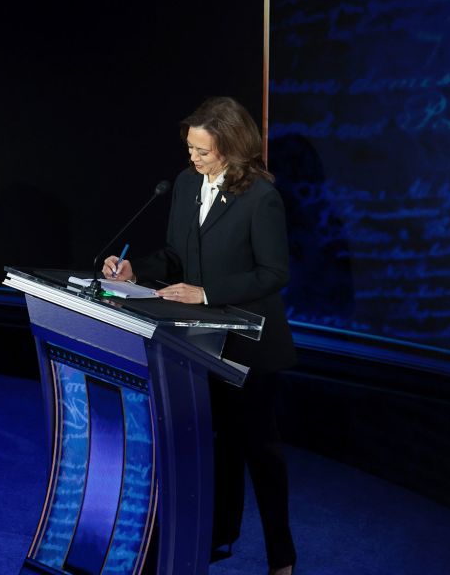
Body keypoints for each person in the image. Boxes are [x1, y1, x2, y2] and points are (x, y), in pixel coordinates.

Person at [100, 96, 297, 575]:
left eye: (203, 152)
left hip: (251, 346)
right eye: (191, 148)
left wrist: (206, 292)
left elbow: (274, 273)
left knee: (259, 452)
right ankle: (218, 537)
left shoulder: (261, 198)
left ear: (230, 148)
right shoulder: (187, 185)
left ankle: (283, 557)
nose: (193, 158)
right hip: (198, 342)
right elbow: (174, 257)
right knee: (215, 445)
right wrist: (132, 271)